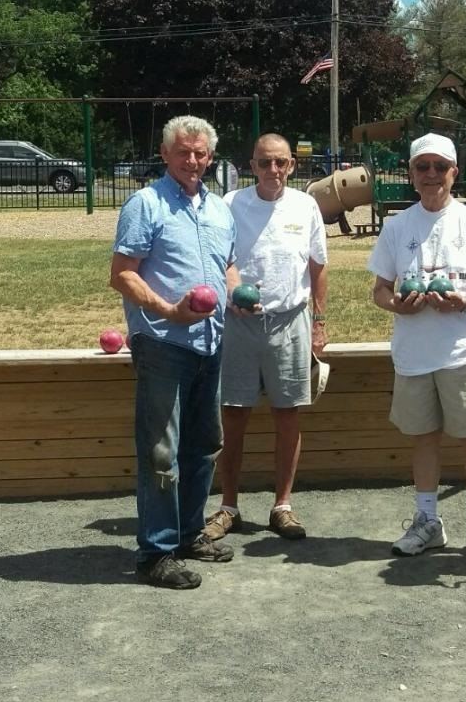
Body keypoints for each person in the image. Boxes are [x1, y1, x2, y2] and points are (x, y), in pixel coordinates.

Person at [369, 132, 466, 563]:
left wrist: (465, 301)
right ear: (412, 175)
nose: (431, 175)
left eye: (439, 167)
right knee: (424, 440)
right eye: (422, 167)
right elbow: (379, 290)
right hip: (414, 356)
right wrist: (397, 305)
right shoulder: (397, 226)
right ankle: (428, 522)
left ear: (454, 173)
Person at [110, 115, 236, 590]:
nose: (193, 161)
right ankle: (155, 554)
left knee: (203, 444)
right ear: (165, 154)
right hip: (163, 343)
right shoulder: (146, 204)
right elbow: (122, 273)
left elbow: (229, 267)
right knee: (162, 452)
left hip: (211, 343)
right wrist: (168, 310)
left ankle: (188, 535)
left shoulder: (219, 209)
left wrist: (241, 296)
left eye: (201, 153)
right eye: (183, 152)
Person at [205, 132, 329, 543]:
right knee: (234, 415)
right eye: (264, 163)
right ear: (251, 165)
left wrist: (319, 322)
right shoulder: (231, 204)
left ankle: (282, 506)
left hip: (291, 321)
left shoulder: (306, 204)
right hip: (239, 323)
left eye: (280, 163)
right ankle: (228, 506)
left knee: (287, 415)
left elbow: (318, 267)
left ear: (292, 164)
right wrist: (232, 289)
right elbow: (223, 259)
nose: (272, 171)